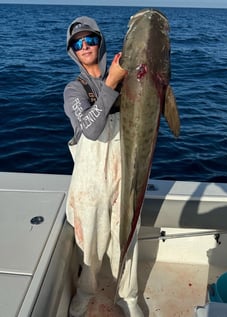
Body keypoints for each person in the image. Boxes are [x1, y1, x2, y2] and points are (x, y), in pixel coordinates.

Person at [64, 16, 144, 317]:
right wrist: (111, 80)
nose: (85, 46)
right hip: (90, 182)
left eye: (90, 39)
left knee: (129, 237)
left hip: (126, 175)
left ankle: (129, 297)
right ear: (72, 50)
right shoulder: (74, 90)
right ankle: (86, 293)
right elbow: (91, 129)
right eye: (78, 43)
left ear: (101, 42)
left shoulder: (128, 81)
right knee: (91, 245)